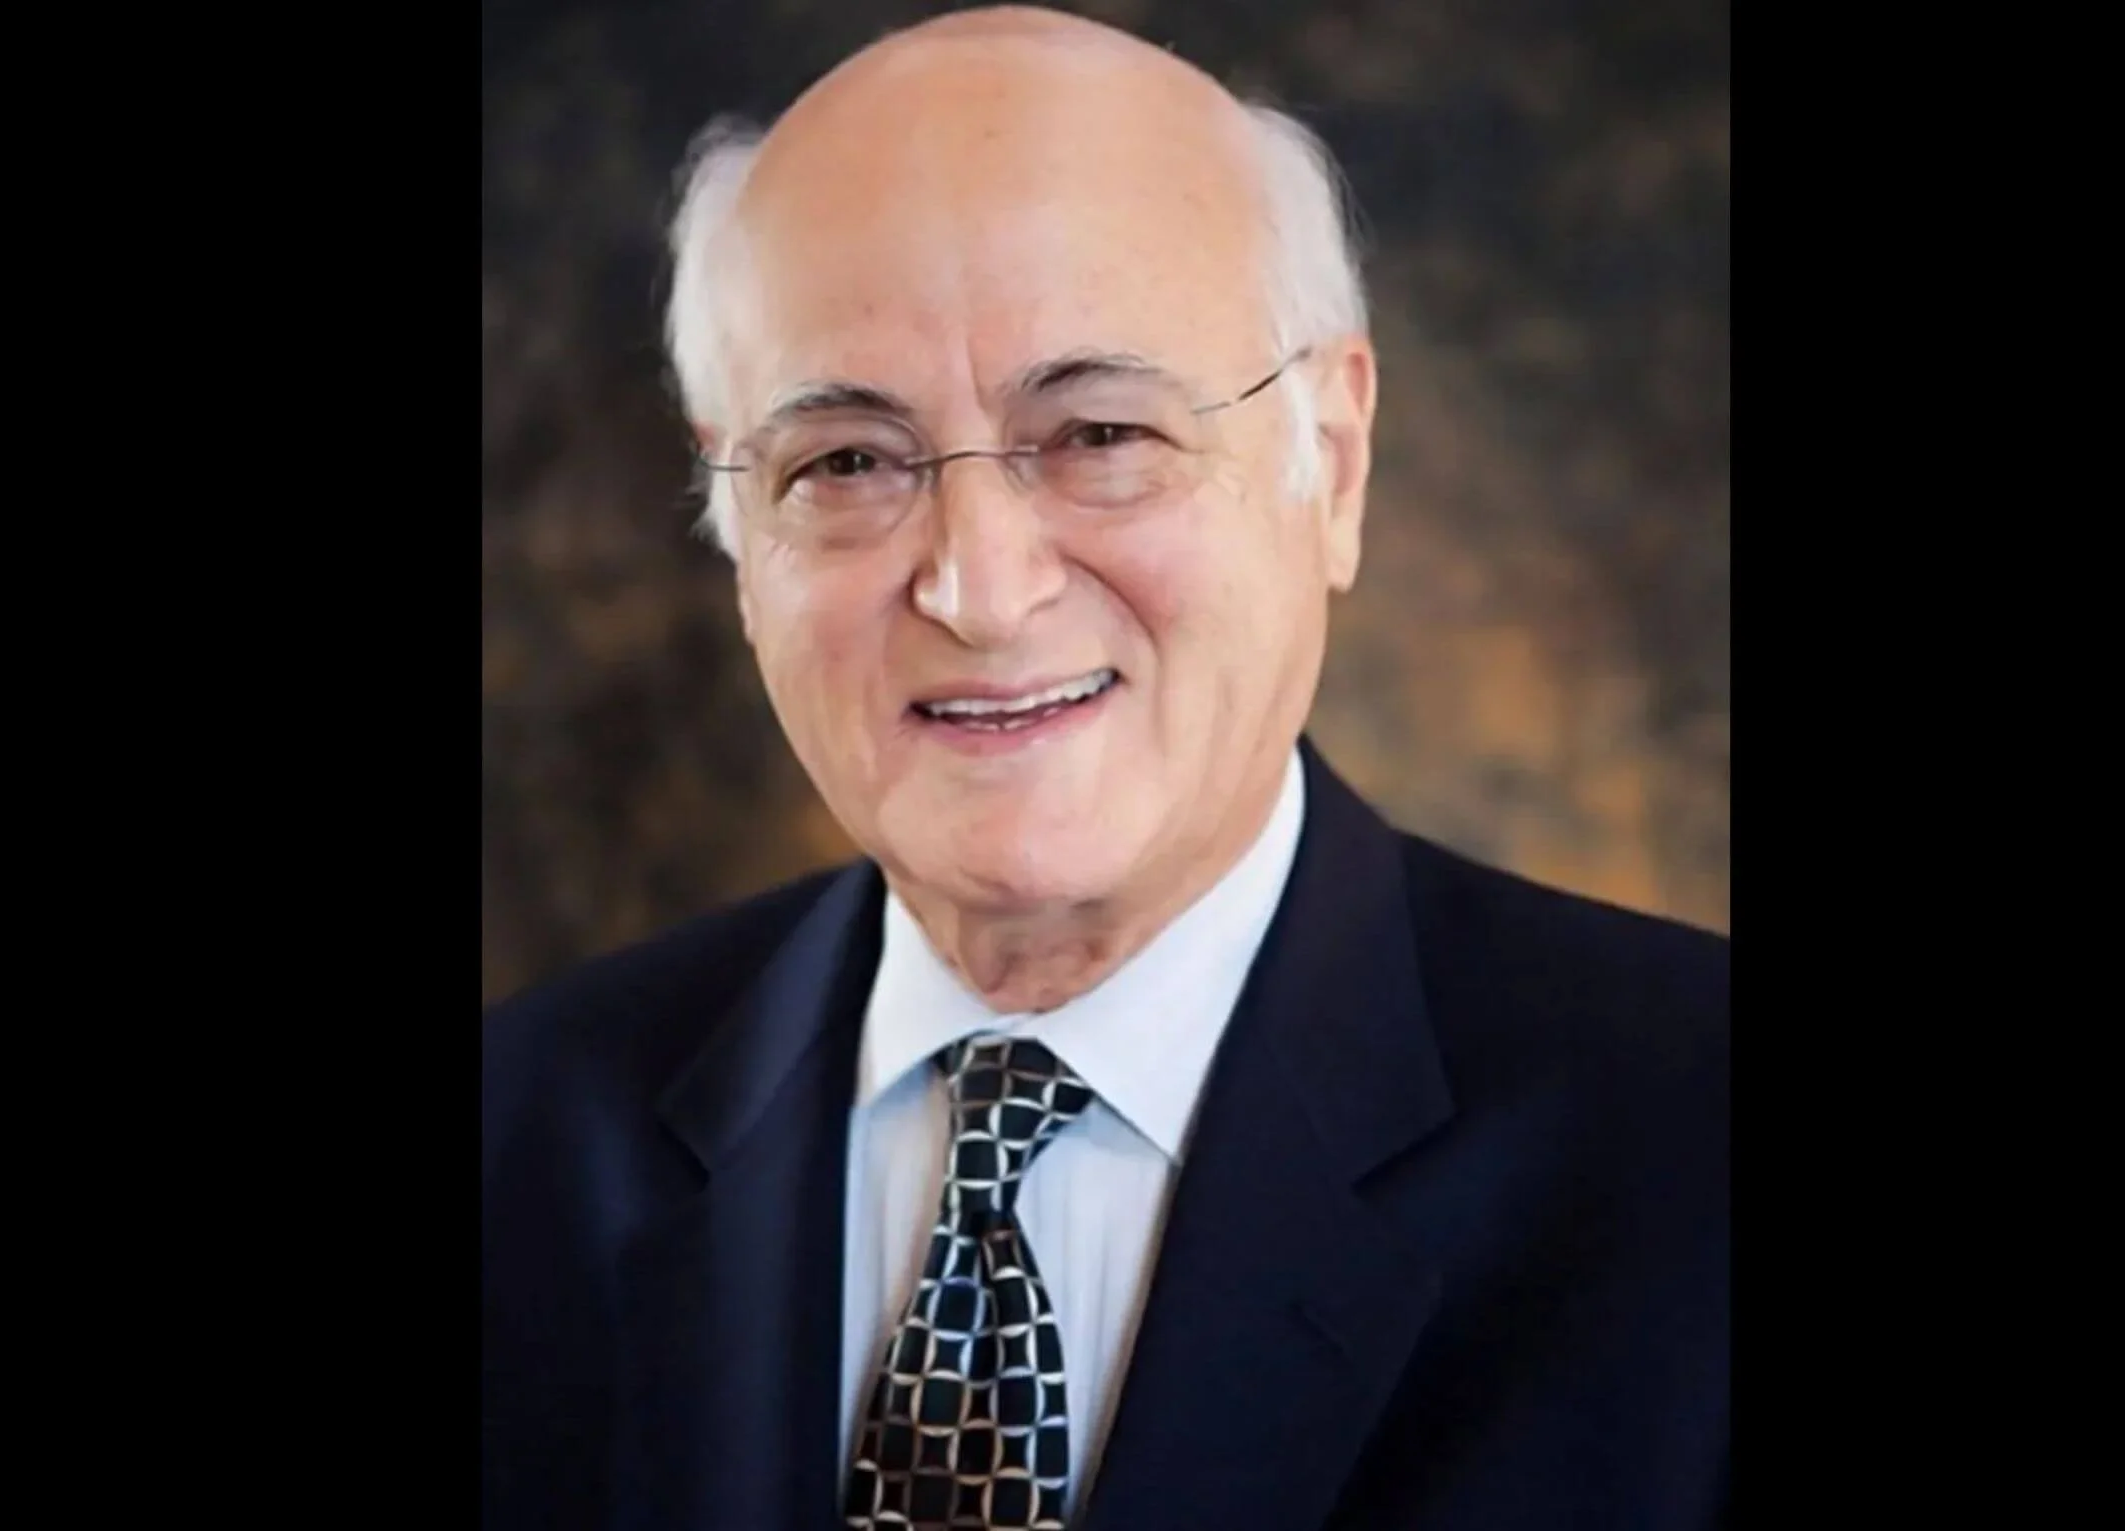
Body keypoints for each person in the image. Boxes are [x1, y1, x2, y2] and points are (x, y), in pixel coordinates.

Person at [481, 8, 1728, 1530]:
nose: (980, 589)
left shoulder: (1693, 1145)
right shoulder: (516, 1140)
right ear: (738, 518)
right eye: (848, 461)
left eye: (1097, 433)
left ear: (1331, 462)